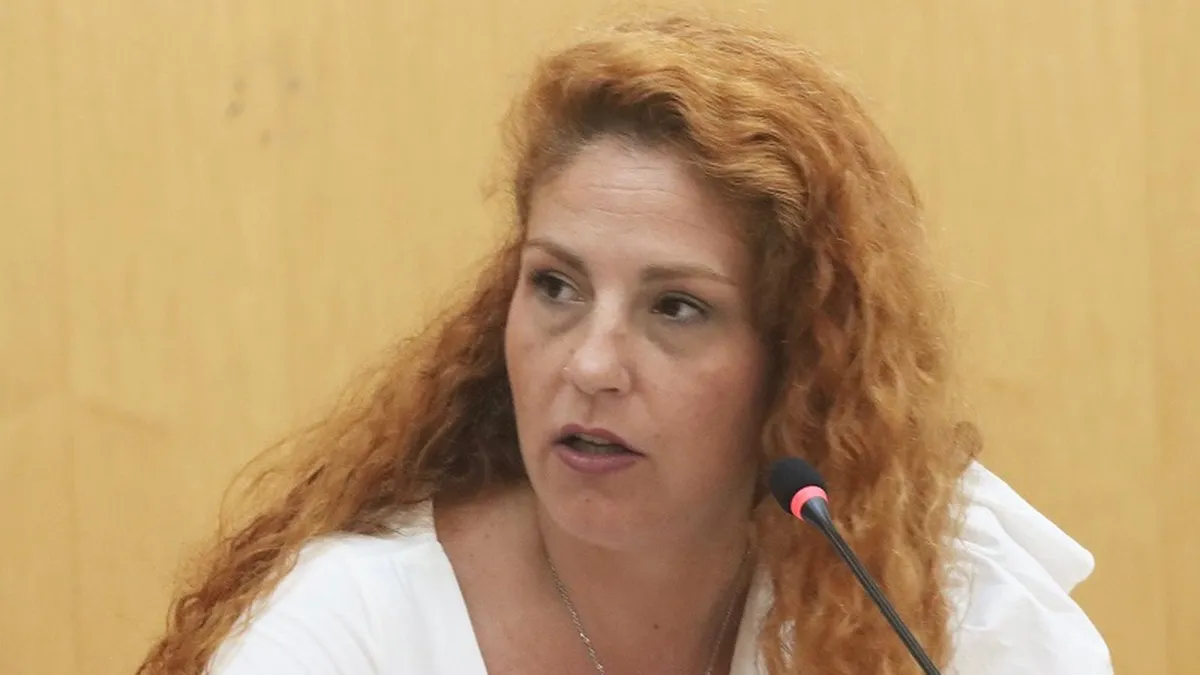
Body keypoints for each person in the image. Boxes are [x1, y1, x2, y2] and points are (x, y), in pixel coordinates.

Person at [136, 14, 1112, 675]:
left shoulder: (924, 595)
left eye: (675, 308)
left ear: (794, 364)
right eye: (556, 287)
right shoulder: (358, 629)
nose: (591, 365)